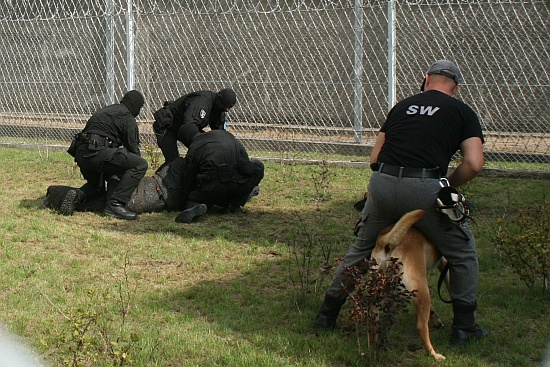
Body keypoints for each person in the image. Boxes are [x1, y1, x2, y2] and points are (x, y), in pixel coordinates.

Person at [314, 60, 489, 346]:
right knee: (462, 252)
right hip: (425, 187)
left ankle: (326, 315)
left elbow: (374, 159)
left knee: (359, 252)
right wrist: (448, 185)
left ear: (426, 79)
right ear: (455, 88)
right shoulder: (462, 111)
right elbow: (474, 163)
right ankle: (465, 328)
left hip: (382, 185)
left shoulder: (402, 107)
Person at [66, 90, 148, 220]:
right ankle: (115, 205)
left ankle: (76, 195)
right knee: (140, 165)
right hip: (97, 152)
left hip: (81, 153)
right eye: (140, 107)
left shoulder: (106, 110)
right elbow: (134, 152)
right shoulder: (127, 117)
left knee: (96, 188)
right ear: (135, 104)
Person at [173, 124, 264, 223]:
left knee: (196, 196)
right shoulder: (225, 134)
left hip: (211, 190)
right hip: (238, 186)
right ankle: (234, 204)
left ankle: (193, 206)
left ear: (185, 140)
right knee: (258, 166)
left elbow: (188, 179)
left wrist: (188, 196)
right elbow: (246, 166)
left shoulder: (194, 148)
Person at [153, 88, 237, 164]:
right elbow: (188, 128)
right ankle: (158, 180)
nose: (227, 110)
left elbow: (221, 134)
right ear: (219, 100)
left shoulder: (219, 109)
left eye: (229, 107)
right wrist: (201, 145)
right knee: (173, 161)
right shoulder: (201, 102)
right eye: (226, 107)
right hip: (167, 126)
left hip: (183, 127)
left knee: (207, 151)